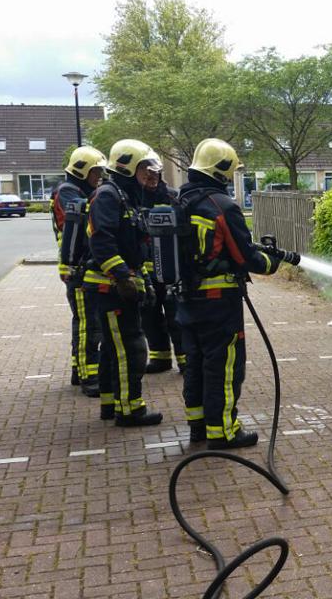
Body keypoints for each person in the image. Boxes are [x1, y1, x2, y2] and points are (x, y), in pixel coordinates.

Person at [176, 138, 291, 449]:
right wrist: (272, 262)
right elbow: (246, 258)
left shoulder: (180, 202)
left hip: (185, 301)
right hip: (218, 305)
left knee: (196, 364)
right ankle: (223, 432)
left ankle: (198, 426)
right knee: (224, 367)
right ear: (221, 170)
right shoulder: (222, 206)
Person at [84, 139, 163, 427]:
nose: (148, 174)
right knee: (130, 348)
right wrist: (122, 277)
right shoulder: (108, 195)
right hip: (110, 288)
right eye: (144, 168)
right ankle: (130, 409)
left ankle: (110, 403)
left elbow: (134, 245)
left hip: (118, 284)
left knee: (112, 348)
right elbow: (101, 240)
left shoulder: (125, 195)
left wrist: (143, 279)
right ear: (127, 167)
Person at [52, 146, 107, 397]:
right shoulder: (67, 192)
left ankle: (79, 370)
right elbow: (79, 224)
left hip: (79, 265)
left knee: (84, 322)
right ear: (82, 170)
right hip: (78, 268)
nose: (99, 176)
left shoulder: (78, 191)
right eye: (96, 171)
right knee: (89, 325)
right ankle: (90, 377)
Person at [136, 156, 185, 374]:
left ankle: (185, 360)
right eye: (147, 174)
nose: (152, 178)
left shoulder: (172, 197)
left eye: (155, 174)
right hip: (145, 270)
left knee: (176, 315)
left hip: (170, 267)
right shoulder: (133, 198)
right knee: (150, 317)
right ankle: (160, 358)